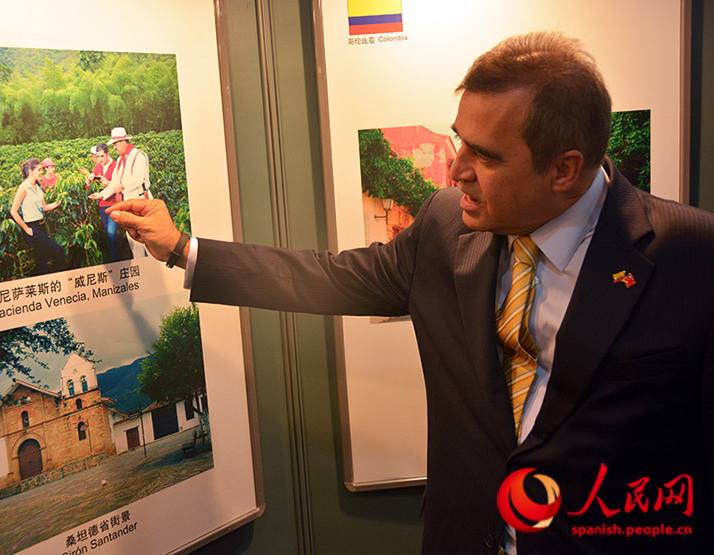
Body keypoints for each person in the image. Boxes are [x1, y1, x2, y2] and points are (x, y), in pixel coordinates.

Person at [108, 32, 713, 554]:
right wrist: (183, 248)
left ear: (563, 169)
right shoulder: (447, 224)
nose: (456, 171)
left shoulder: (691, 256)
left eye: (486, 156)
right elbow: (331, 276)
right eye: (460, 141)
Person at [92, 127, 151, 258]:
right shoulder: (120, 160)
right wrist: (101, 194)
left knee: (147, 238)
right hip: (128, 202)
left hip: (141, 199)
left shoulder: (138, 156)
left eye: (116, 144)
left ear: (123, 141)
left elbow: (137, 178)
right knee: (134, 241)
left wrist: (122, 186)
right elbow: (114, 181)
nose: (114, 148)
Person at [10, 158, 66, 275]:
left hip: (42, 225)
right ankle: (59, 279)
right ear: (31, 172)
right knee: (59, 252)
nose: (42, 172)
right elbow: (13, 211)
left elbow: (43, 207)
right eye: (39, 170)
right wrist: (27, 229)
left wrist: (57, 204)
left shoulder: (38, 186)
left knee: (41, 260)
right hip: (33, 228)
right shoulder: (24, 187)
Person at [85, 142, 121, 262]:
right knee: (108, 232)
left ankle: (115, 260)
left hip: (113, 204)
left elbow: (120, 186)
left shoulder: (116, 166)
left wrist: (108, 183)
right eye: (98, 156)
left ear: (108, 154)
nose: (100, 159)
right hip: (102, 204)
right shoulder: (98, 167)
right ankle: (115, 255)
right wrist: (89, 179)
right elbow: (88, 184)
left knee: (111, 232)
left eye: (102, 156)